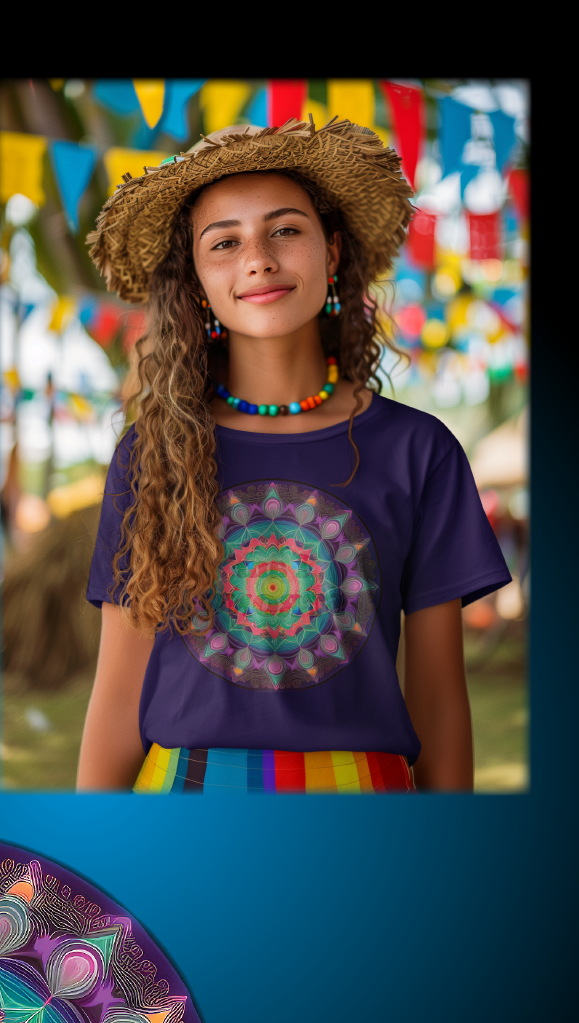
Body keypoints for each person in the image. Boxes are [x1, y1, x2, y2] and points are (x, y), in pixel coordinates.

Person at [77, 118, 511, 794]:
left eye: (284, 229)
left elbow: (440, 705)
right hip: (180, 801)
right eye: (225, 242)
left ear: (331, 252)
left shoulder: (421, 451)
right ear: (195, 281)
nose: (258, 257)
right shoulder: (148, 455)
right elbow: (114, 700)